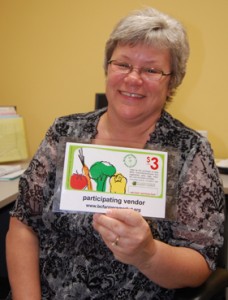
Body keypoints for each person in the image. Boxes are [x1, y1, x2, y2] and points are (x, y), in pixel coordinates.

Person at [6, 7, 225, 300]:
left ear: (171, 81)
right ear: (108, 68)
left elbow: (200, 263)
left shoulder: (189, 151)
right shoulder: (64, 132)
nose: (133, 79)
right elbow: (23, 225)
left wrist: (147, 254)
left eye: (151, 70)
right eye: (123, 64)